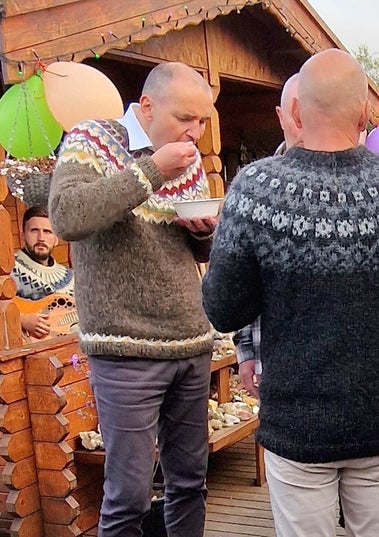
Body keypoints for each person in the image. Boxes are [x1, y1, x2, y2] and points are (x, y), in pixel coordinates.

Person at [201, 49, 379, 537]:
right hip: (378, 416)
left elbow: (224, 308)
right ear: (364, 114)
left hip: (296, 422)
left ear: (295, 112)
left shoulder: (254, 191)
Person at [49, 62, 218, 537]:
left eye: (203, 121)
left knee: (190, 484)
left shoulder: (189, 160)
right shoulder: (93, 139)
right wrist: (151, 169)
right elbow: (67, 215)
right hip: (125, 350)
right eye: (186, 118)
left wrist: (206, 234)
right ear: (146, 106)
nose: (196, 131)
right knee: (128, 496)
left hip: (191, 342)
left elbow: (190, 249)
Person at [234, 72, 305, 398]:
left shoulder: (365, 189)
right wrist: (246, 351)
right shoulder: (256, 189)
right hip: (273, 367)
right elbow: (242, 281)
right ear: (282, 116)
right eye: (297, 115)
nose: (305, 124)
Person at [11, 206, 75, 339]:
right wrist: (20, 320)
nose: (41, 238)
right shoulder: (8, 271)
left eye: (47, 232)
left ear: (56, 239)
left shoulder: (71, 279)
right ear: (23, 236)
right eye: (34, 231)